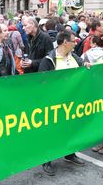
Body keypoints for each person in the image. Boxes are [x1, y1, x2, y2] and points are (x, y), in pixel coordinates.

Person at [38, 30, 88, 175]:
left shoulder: (74, 58)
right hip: (54, 105)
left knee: (71, 129)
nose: (76, 43)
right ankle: (46, 159)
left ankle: (70, 154)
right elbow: (42, 84)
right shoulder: (49, 60)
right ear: (65, 42)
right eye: (74, 40)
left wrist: (87, 65)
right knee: (51, 133)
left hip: (72, 104)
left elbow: (84, 67)